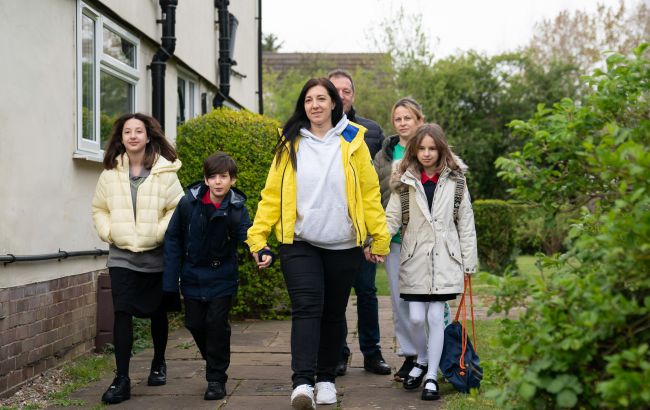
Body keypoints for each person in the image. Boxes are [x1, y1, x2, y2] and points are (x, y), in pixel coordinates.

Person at [246, 77, 390, 410]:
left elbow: (369, 194)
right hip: (300, 242)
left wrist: (378, 237)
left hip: (343, 244)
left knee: (333, 312)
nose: (315, 104)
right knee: (307, 308)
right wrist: (258, 236)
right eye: (309, 99)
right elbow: (272, 194)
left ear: (334, 104)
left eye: (322, 98)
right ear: (303, 105)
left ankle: (326, 379)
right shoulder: (289, 142)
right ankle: (302, 383)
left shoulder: (354, 139)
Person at [92, 113, 184, 404]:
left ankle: (158, 362)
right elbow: (99, 208)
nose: (133, 136)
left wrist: (158, 232)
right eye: (127, 131)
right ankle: (122, 378)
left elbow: (176, 209)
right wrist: (110, 232)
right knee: (122, 312)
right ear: (121, 137)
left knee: (157, 311)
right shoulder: (109, 173)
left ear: (148, 136)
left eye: (138, 131)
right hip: (121, 256)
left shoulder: (165, 172)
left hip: (155, 255)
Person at [384, 123, 478, 401]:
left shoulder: (456, 180)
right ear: (414, 149)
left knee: (436, 316)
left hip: (445, 259)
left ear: (441, 149)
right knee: (414, 317)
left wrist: (469, 263)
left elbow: (466, 222)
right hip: (413, 258)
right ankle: (422, 358)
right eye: (422, 148)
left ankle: (431, 376)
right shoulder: (404, 180)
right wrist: (376, 242)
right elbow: (391, 217)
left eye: (432, 148)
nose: (427, 154)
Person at [162, 152, 252, 401]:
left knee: (216, 324)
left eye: (223, 177)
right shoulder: (187, 204)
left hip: (222, 275)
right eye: (212, 177)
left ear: (232, 180)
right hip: (192, 274)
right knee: (194, 323)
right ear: (205, 180)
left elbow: (248, 236)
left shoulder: (236, 208)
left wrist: (260, 252)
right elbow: (173, 239)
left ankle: (216, 379)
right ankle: (214, 358)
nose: (218, 182)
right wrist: (170, 281)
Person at [327, 69, 390, 376]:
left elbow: (374, 183)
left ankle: (372, 353)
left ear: (353, 95)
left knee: (366, 293)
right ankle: (338, 354)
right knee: (335, 298)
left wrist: (374, 233)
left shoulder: (371, 130)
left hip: (361, 230)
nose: (342, 95)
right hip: (329, 229)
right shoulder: (315, 130)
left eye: (347, 90)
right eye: (335, 90)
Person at [372, 97, 427, 382]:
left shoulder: (429, 149)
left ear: (419, 120)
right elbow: (373, 194)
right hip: (391, 236)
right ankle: (410, 355)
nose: (403, 123)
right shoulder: (384, 154)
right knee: (399, 299)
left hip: (423, 239)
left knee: (427, 300)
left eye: (408, 118)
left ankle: (430, 354)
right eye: (398, 118)